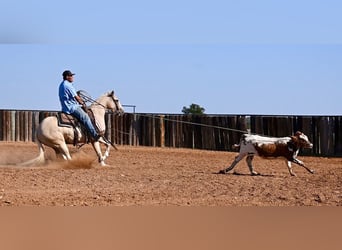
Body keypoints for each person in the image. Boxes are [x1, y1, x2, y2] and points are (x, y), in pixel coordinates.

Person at [58, 70, 100, 141]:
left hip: (65, 107)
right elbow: (76, 97)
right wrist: (83, 103)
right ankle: (94, 135)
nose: (73, 77)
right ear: (67, 77)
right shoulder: (67, 85)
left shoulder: (62, 84)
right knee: (85, 117)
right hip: (72, 107)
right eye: (71, 76)